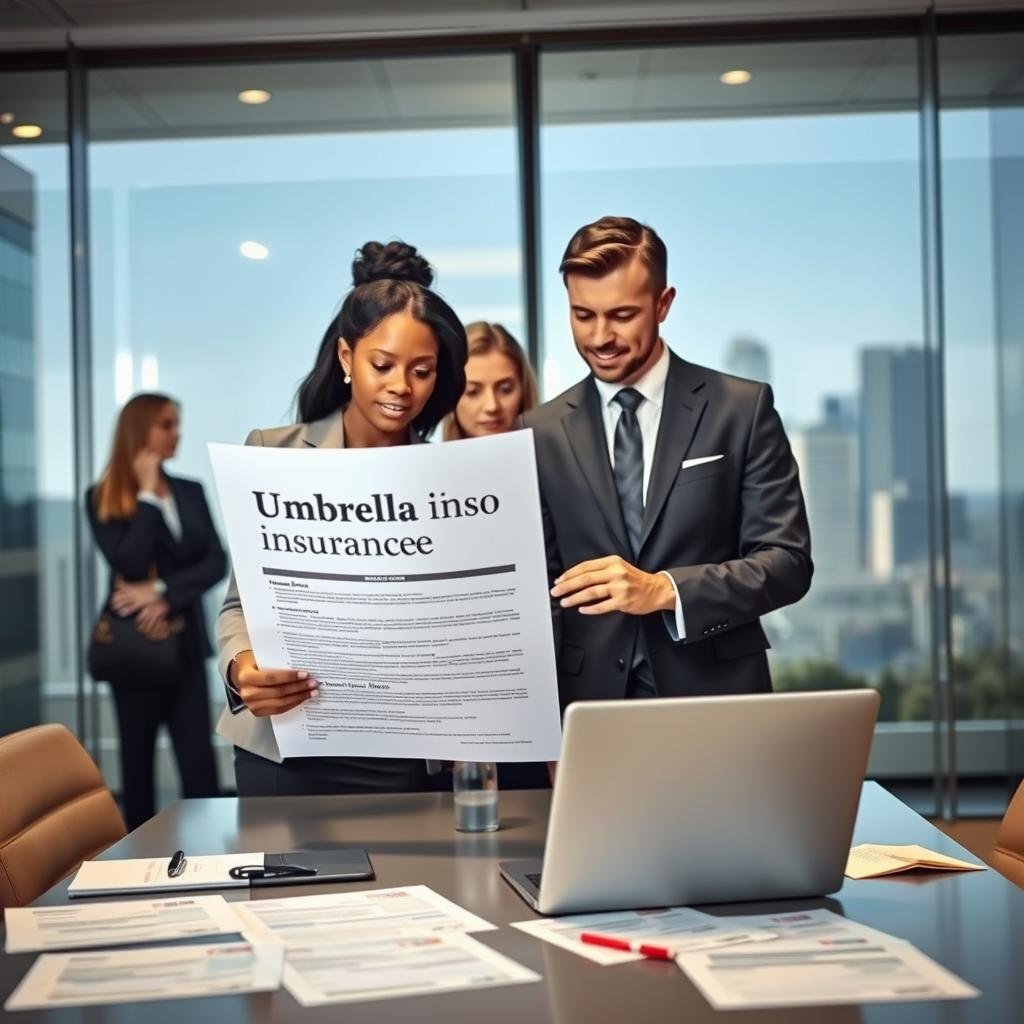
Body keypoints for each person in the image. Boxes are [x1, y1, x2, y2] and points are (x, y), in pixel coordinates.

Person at [524, 216, 812, 710]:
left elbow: (787, 562)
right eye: (582, 315)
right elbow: (537, 596)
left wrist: (664, 590)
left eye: (621, 315)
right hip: (586, 706)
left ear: (663, 304)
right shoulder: (539, 432)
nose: (600, 337)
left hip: (719, 695)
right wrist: (545, 729)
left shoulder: (741, 409)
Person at [216, 240, 469, 796]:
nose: (402, 387)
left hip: (408, 750)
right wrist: (241, 669)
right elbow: (240, 602)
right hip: (288, 744)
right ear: (347, 358)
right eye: (383, 365)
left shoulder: (453, 479)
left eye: (422, 371)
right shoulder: (273, 454)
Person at [86, 393, 224, 830]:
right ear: (140, 429)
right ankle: (140, 866)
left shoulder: (190, 490)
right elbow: (127, 563)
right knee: (137, 769)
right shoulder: (103, 497)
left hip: (185, 649)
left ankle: (212, 860)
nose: (176, 434)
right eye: (167, 424)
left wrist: (163, 592)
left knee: (200, 768)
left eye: (176, 424)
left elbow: (216, 561)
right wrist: (145, 497)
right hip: (136, 655)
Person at [441, 322, 538, 440]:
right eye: (473, 392)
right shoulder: (427, 457)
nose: (492, 406)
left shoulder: (555, 455)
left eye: (505, 390)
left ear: (524, 390)